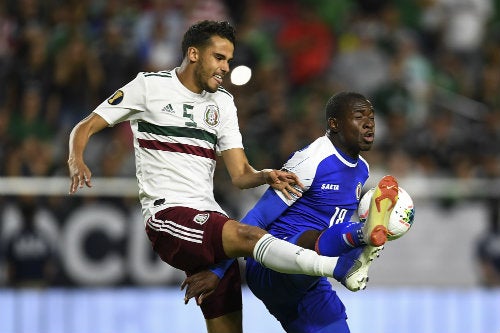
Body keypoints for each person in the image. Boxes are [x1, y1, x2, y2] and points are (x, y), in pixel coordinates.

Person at [67, 21, 392, 333]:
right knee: (249, 237)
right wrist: (76, 156)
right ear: (194, 54)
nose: (225, 67)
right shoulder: (149, 87)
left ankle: (342, 252)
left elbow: (239, 175)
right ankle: (341, 264)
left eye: (229, 60)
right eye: (219, 58)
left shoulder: (223, 103)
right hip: (168, 214)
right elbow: (87, 125)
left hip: (210, 218)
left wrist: (265, 175)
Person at [183, 92, 400, 332]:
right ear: (334, 124)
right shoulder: (312, 160)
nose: (369, 123)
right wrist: (217, 271)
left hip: (309, 277)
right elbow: (257, 218)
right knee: (314, 236)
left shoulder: (362, 169)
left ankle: (359, 245)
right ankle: (363, 236)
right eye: (359, 116)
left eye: (372, 117)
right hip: (272, 265)